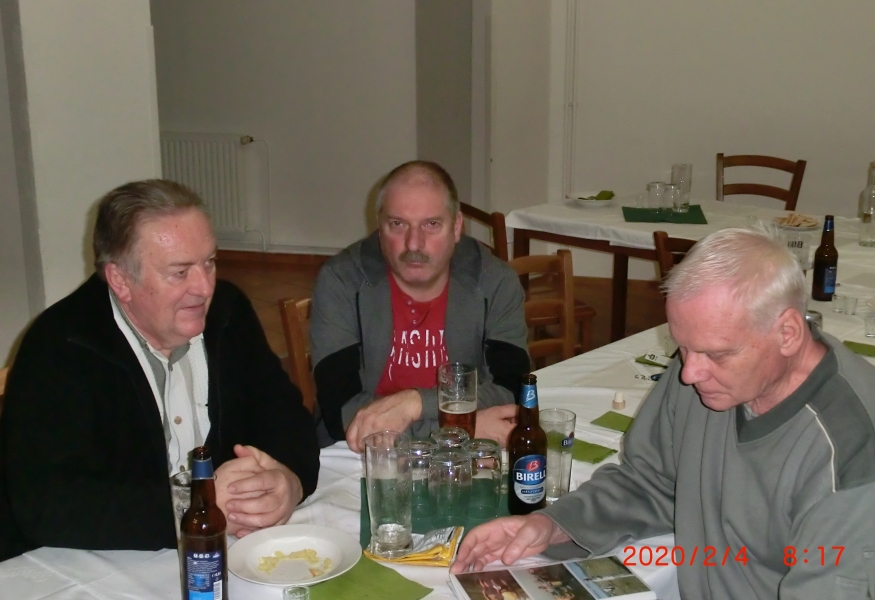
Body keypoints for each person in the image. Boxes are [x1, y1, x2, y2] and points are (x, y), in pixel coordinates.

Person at [451, 228, 875, 598]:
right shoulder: (705, 372)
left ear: (787, 333)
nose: (689, 373)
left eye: (716, 354)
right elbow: (650, 482)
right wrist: (551, 525)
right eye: (681, 347)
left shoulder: (853, 458)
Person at [0, 180, 320, 560]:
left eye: (209, 262)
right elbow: (45, 502)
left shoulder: (227, 312)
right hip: (95, 563)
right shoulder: (60, 347)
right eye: (180, 272)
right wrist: (195, 506)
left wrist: (290, 479)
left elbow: (286, 417)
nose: (205, 287)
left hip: (223, 550)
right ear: (121, 280)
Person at [311, 160, 530, 452]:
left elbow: (511, 391)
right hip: (361, 454)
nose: (414, 244)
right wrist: (463, 427)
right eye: (397, 224)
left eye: (431, 224)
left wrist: (414, 403)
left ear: (457, 227)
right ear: (379, 227)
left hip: (462, 456)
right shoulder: (341, 282)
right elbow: (343, 414)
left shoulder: (495, 282)